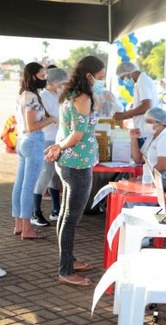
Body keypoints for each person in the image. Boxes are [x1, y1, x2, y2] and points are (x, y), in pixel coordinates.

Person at [44, 56, 106, 287]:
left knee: (65, 216)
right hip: (76, 164)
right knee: (71, 218)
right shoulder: (82, 97)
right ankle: (66, 270)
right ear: (89, 76)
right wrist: (59, 146)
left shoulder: (70, 95)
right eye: (100, 77)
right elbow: (77, 134)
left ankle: (68, 259)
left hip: (68, 162)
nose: (102, 81)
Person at [12, 62, 57, 239]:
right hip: (33, 140)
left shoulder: (23, 94)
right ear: (32, 76)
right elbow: (32, 126)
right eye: (42, 76)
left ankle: (19, 225)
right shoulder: (31, 96)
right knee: (28, 186)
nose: (45, 79)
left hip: (23, 141)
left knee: (20, 184)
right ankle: (27, 228)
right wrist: (51, 119)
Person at [32, 67, 69, 227]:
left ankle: (56, 209)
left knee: (55, 176)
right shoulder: (43, 96)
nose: (63, 85)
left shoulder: (58, 95)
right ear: (53, 82)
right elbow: (45, 118)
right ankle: (35, 211)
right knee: (45, 174)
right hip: (47, 140)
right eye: (61, 83)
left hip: (59, 140)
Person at [130, 107, 166, 176]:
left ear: (160, 123)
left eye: (149, 122)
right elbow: (139, 159)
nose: (146, 124)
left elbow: (162, 167)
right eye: (145, 122)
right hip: (161, 179)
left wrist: (147, 178)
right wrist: (133, 138)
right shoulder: (152, 137)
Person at [113, 62, 159, 148]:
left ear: (127, 71)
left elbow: (146, 106)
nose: (124, 81)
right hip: (143, 131)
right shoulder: (140, 82)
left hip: (146, 132)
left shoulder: (142, 81)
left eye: (123, 78)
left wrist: (124, 115)